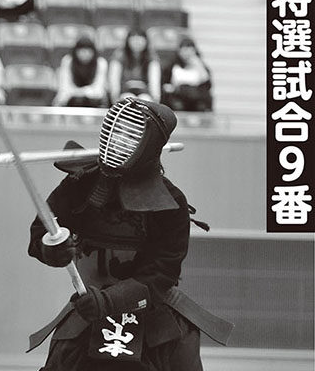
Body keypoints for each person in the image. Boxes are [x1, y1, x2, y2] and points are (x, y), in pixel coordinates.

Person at [26, 98, 232, 370]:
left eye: (131, 134)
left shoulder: (171, 203)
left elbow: (162, 273)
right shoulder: (79, 183)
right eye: (117, 131)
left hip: (153, 311)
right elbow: (43, 228)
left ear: (147, 145)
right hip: (88, 305)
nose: (120, 139)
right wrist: (52, 248)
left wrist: (110, 302)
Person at [53, 36, 108, 107]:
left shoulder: (101, 63)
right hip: (70, 102)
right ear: (76, 51)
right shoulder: (67, 61)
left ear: (94, 52)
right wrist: (82, 93)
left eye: (88, 51)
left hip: (94, 102)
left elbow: (99, 91)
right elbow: (64, 89)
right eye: (82, 51)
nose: (85, 54)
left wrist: (81, 93)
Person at [108, 29, 161, 103]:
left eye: (140, 40)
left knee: (145, 100)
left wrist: (155, 100)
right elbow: (114, 79)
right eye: (134, 40)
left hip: (145, 93)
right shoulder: (119, 55)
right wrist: (115, 98)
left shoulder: (152, 57)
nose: (137, 42)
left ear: (146, 41)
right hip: (124, 91)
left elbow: (154, 81)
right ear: (128, 41)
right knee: (128, 99)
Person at [163, 37, 212, 112]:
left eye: (190, 50)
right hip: (178, 98)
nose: (187, 53)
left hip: (196, 99)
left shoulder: (200, 66)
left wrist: (198, 63)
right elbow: (165, 84)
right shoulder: (172, 66)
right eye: (185, 50)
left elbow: (207, 84)